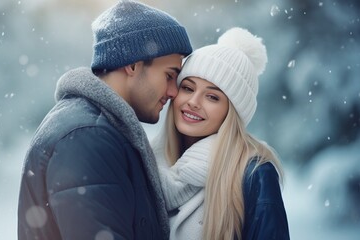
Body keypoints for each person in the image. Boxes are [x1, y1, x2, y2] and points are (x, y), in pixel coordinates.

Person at [17, 1, 192, 239]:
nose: (173, 92)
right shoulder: (87, 138)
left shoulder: (97, 129)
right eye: (169, 75)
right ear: (132, 65)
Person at [151, 27, 290, 240]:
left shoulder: (254, 173)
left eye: (212, 97)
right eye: (188, 88)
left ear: (231, 112)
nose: (193, 102)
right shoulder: (148, 160)